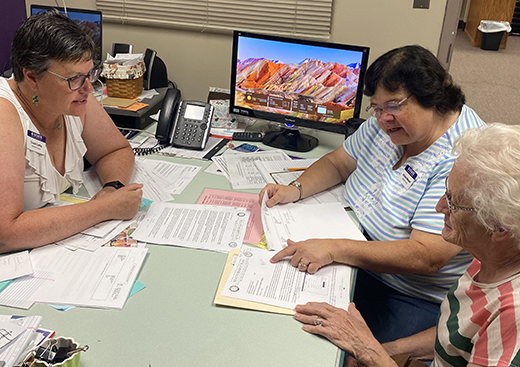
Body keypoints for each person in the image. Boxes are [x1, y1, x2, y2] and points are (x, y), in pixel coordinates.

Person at [260, 45, 485, 343]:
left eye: (393, 106)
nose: (382, 119)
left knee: (306, 339)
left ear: (432, 97)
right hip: (351, 257)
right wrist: (295, 189)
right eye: (376, 108)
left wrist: (335, 249)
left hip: (405, 292)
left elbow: (427, 256)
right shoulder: (389, 128)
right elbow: (338, 163)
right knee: (270, 311)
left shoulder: (464, 158)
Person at [293, 123, 520, 367]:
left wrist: (369, 351)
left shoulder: (511, 315)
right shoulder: (493, 254)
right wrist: (383, 351)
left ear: (500, 228)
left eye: (453, 202)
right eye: (445, 191)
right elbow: (455, 337)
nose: (439, 207)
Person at [0, 10, 143, 254]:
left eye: (90, 74)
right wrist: (106, 208)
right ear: (32, 77)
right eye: (75, 78)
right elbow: (5, 234)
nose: (89, 88)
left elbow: (115, 150)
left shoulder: (74, 97)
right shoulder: (5, 113)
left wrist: (111, 188)